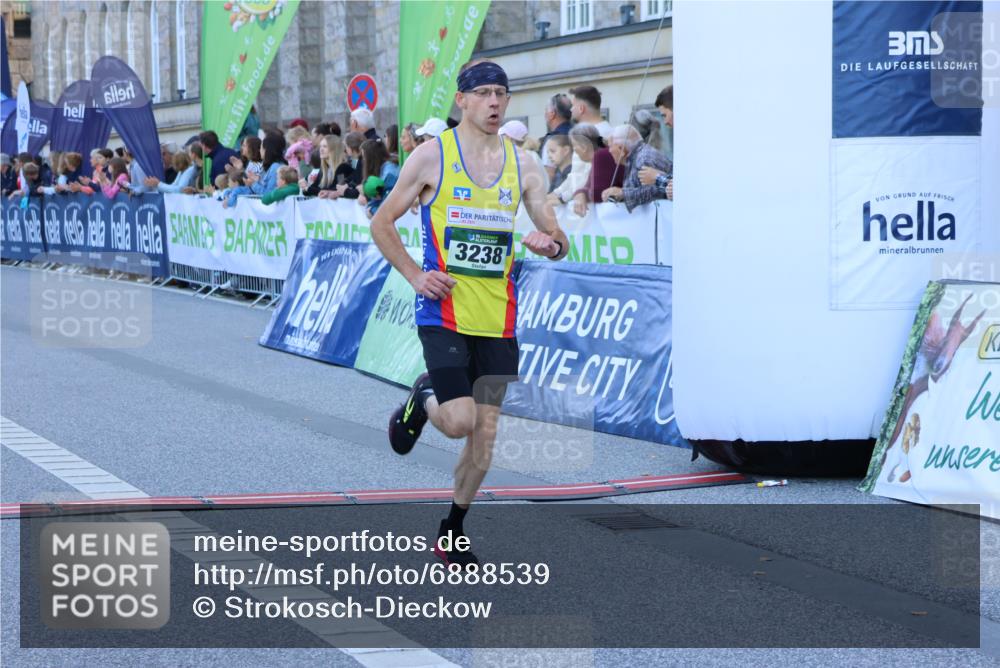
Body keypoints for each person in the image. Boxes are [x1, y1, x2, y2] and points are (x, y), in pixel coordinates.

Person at [370, 60, 569, 569]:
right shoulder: (431, 157)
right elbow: (382, 223)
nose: (495, 102)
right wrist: (416, 276)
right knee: (459, 421)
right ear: (461, 100)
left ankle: (451, 531)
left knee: (486, 434)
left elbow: (556, 235)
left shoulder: (524, 164)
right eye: (483, 93)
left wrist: (549, 243)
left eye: (501, 93)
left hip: (498, 318)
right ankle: (424, 397)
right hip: (445, 311)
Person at [601, 124, 672, 212]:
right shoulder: (637, 157)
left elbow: (657, 191)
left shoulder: (643, 158)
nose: (609, 150)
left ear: (621, 149)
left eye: (610, 146)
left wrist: (623, 193)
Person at [570, 128, 618, 217]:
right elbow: (588, 187)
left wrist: (582, 194)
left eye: (574, 146)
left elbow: (597, 193)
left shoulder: (602, 155)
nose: (573, 150)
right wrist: (580, 193)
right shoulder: (599, 156)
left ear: (584, 147)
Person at [498, 120, 548, 193]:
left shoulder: (517, 157)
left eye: (501, 137)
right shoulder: (532, 155)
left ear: (508, 138)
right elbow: (546, 184)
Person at [540, 93, 573, 179]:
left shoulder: (552, 140)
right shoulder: (580, 132)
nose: (544, 114)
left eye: (546, 110)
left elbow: (549, 174)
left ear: (552, 114)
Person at [247, 132, 286, 197]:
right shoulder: (272, 166)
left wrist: (253, 184)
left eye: (261, 148)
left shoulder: (275, 167)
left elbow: (269, 194)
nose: (260, 151)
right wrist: (258, 180)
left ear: (267, 150)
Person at [328, 131, 364, 199]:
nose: (345, 150)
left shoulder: (343, 166)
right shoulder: (357, 161)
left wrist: (343, 189)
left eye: (325, 147)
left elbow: (341, 184)